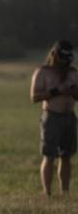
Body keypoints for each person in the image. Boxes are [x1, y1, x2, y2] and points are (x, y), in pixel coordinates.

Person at [30, 40, 77, 196]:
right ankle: (47, 192)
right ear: (56, 55)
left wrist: (73, 92)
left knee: (66, 156)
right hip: (52, 117)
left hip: (69, 117)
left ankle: (65, 191)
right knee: (49, 156)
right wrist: (57, 91)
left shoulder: (73, 73)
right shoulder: (43, 72)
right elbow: (34, 97)